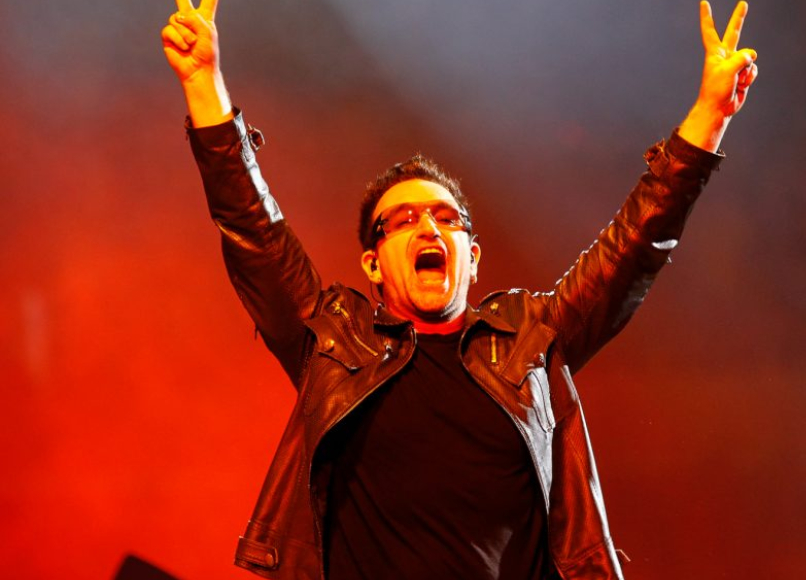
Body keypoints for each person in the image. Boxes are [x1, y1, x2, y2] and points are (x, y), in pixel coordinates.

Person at [161, 0, 758, 578]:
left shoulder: (530, 340)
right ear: (372, 264)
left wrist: (709, 116)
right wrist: (204, 84)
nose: (428, 227)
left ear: (472, 259)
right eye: (404, 220)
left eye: (447, 219)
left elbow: (633, 247)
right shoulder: (332, 340)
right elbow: (252, 227)